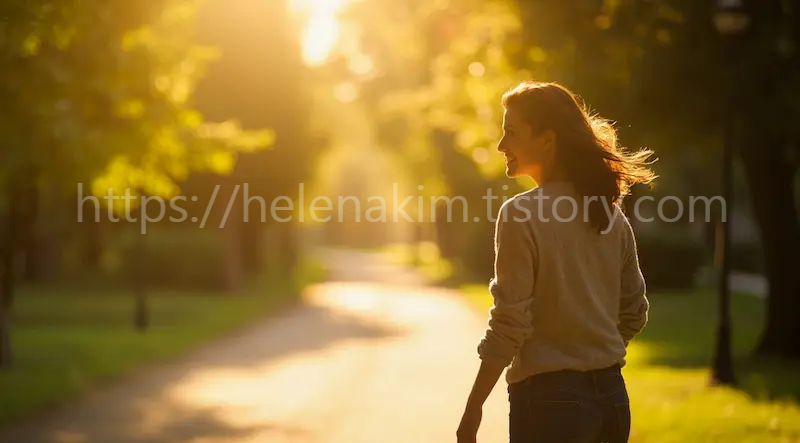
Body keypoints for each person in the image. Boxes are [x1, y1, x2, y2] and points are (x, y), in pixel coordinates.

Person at [456, 81, 655, 443]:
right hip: (612, 399)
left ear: (547, 140)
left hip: (550, 405)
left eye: (511, 133)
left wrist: (473, 407)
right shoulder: (611, 215)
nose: (501, 146)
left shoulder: (520, 215)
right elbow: (635, 312)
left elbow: (509, 325)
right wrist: (593, 356)